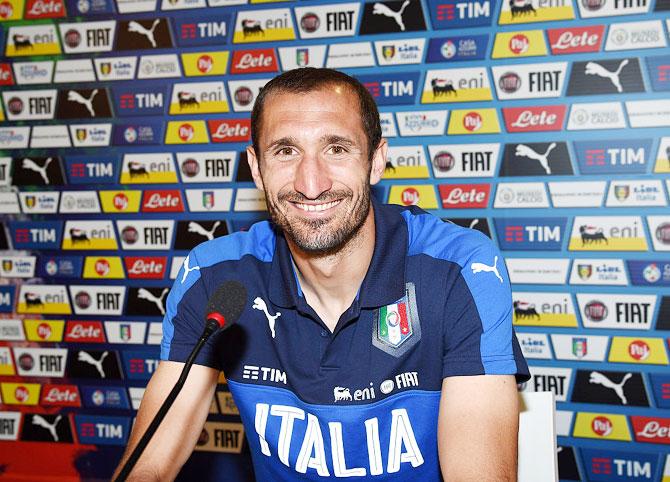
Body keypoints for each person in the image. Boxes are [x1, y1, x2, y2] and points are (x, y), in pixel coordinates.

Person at [115, 68, 530, 481]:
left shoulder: (458, 269)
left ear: (377, 161)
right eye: (285, 151)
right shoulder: (216, 275)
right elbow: (147, 467)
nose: (311, 184)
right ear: (256, 168)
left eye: (336, 149)